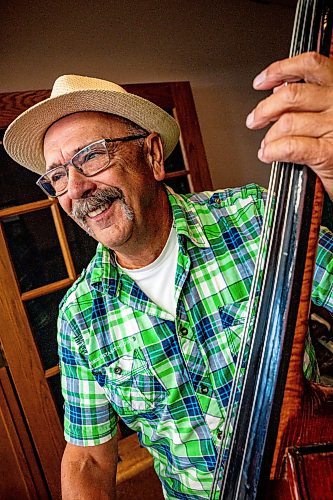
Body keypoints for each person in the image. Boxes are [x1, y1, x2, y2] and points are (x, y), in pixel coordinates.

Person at [3, 52, 333, 499]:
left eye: (91, 157)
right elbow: (87, 457)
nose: (76, 188)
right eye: (58, 176)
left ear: (153, 156)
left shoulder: (257, 219)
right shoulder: (79, 316)